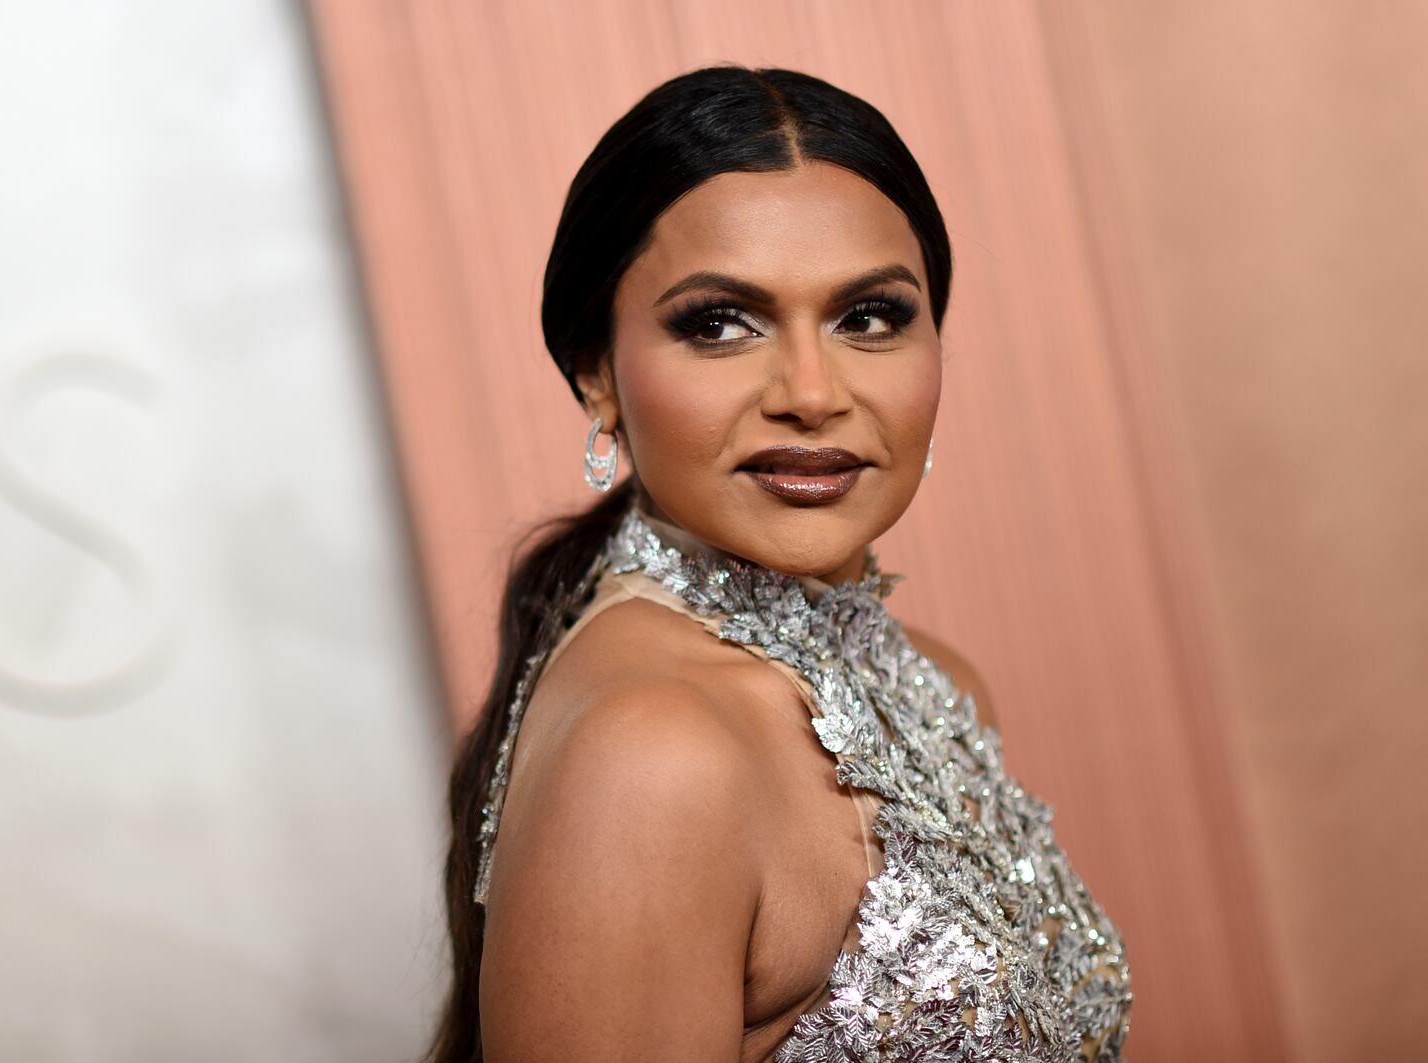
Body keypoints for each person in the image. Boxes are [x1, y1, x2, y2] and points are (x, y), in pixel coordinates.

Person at [425, 65, 1133, 1063]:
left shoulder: (931, 683)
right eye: (718, 323)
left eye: (869, 317)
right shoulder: (654, 755)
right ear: (597, 375)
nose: (810, 391)